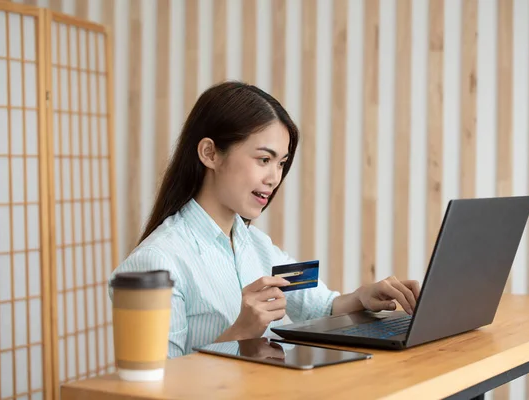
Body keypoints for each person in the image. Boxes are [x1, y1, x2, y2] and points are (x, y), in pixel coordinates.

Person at [109, 81, 421, 358]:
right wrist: (242, 331)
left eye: (281, 163)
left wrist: (361, 296)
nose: (274, 178)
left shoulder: (256, 245)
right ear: (209, 153)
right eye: (263, 159)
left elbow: (319, 306)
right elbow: (154, 390)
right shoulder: (155, 262)